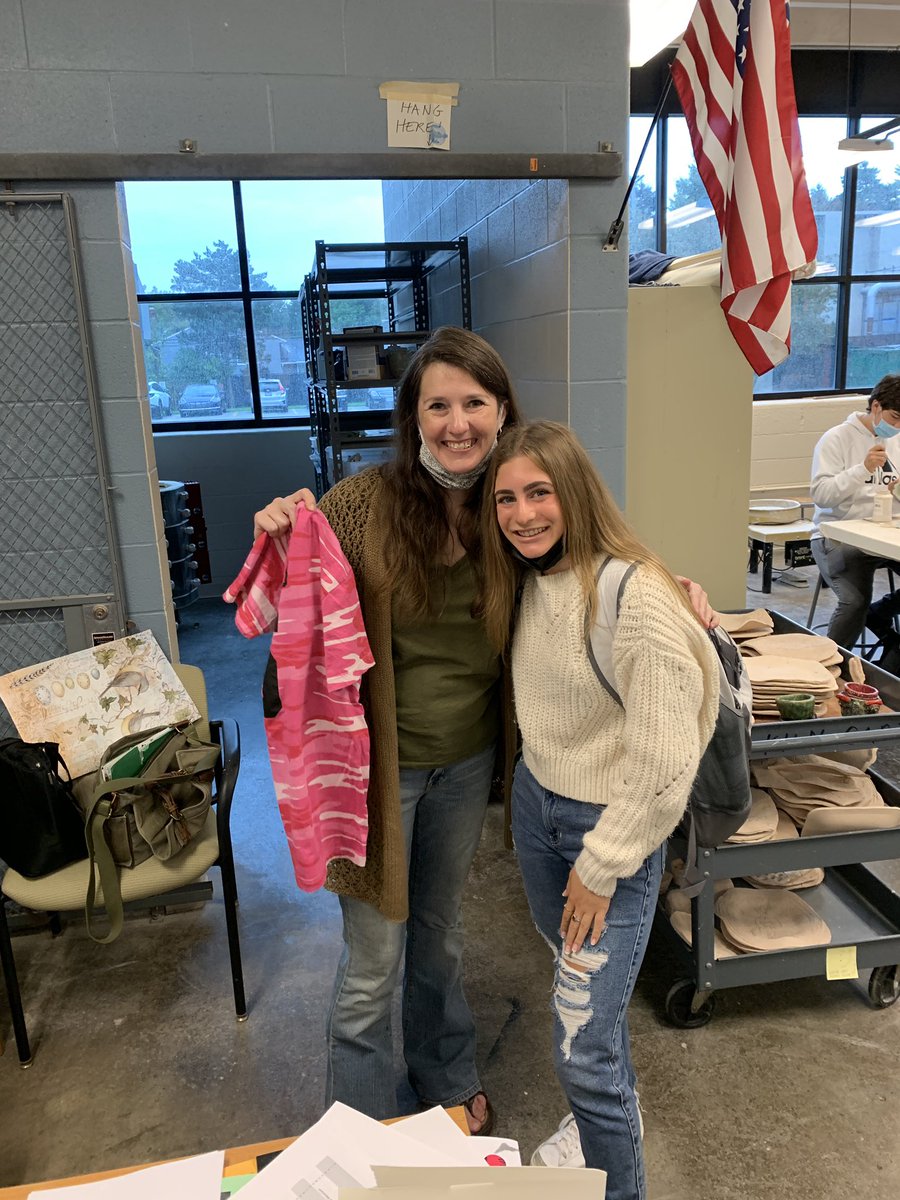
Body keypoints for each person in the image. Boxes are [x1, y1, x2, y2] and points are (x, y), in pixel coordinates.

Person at [253, 328, 714, 1134]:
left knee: (439, 934)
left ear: (503, 411)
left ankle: (444, 1073)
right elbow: (292, 624)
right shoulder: (359, 506)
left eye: (474, 402)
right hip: (371, 775)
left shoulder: (515, 509)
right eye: (438, 405)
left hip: (466, 765)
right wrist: (283, 541)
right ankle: (355, 1130)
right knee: (373, 961)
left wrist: (675, 592)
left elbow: (596, 569)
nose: (457, 423)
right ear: (414, 416)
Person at [480, 421, 719, 1199]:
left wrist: (603, 863)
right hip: (537, 806)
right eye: (506, 498)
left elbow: (665, 761)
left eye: (539, 493)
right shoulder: (526, 577)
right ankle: (598, 1122)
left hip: (606, 830)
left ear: (575, 492)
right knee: (583, 1000)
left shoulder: (636, 596)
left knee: (582, 1048)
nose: (522, 514)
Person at [811, 372, 900, 665]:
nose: (897, 426)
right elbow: (822, 495)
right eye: (895, 418)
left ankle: (882, 617)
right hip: (838, 536)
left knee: (868, 607)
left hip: (885, 535)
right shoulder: (836, 438)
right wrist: (862, 469)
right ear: (875, 406)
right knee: (854, 602)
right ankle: (831, 668)